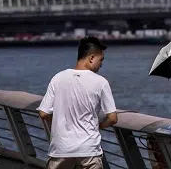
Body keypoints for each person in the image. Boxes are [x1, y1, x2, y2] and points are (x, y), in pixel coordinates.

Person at [39, 36, 118, 169]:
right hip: (89, 150)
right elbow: (113, 118)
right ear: (91, 58)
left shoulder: (58, 78)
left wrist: (62, 122)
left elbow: (43, 113)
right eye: (101, 60)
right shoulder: (101, 82)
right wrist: (98, 126)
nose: (101, 64)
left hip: (61, 149)